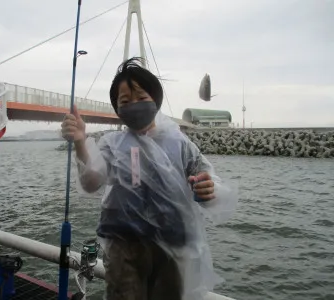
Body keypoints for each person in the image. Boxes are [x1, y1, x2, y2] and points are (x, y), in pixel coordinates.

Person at [61, 58, 238, 300]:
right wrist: (81, 142)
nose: (134, 105)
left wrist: (210, 188)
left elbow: (208, 178)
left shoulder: (180, 142)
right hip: (124, 248)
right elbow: (91, 181)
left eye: (142, 98)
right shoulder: (112, 144)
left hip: (174, 247)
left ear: (156, 99)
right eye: (125, 101)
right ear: (117, 109)